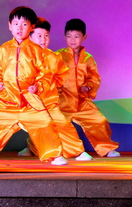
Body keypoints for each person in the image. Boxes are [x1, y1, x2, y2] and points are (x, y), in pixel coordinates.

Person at [0, 7, 65, 165]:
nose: (19, 28)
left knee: (45, 123)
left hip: (30, 103)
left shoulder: (37, 51)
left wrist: (38, 86)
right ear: (9, 25)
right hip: (7, 102)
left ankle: (54, 155)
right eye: (16, 24)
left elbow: (44, 75)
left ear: (31, 27)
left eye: (24, 24)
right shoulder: (3, 50)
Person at [20, 18, 92, 161]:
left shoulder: (54, 57)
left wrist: (45, 86)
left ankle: (78, 152)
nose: (43, 40)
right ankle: (35, 148)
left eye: (46, 36)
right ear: (30, 37)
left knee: (63, 124)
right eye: (39, 36)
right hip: (25, 102)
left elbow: (60, 77)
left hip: (48, 101)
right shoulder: (21, 56)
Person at [55, 19, 120, 158]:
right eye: (69, 36)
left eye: (76, 36)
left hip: (81, 102)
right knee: (54, 125)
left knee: (99, 120)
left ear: (84, 37)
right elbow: (51, 75)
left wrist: (88, 87)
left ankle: (106, 148)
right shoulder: (58, 56)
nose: (72, 40)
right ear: (65, 36)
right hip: (62, 102)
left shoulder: (88, 59)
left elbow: (94, 78)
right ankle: (34, 147)